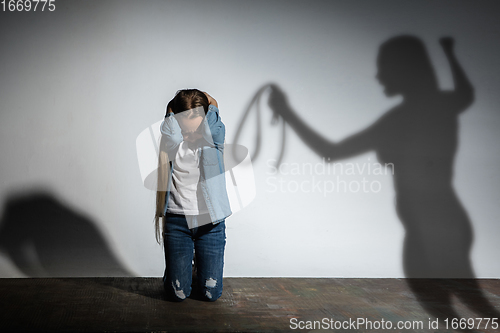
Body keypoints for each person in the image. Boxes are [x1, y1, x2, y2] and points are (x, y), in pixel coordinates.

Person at [154, 89, 231, 301]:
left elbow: (213, 109)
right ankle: (178, 271)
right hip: (178, 223)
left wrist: (208, 101)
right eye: (185, 131)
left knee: (210, 294)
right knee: (177, 294)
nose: (191, 137)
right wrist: (171, 108)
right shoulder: (172, 145)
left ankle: (198, 269)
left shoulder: (213, 142)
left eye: (197, 130)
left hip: (211, 224)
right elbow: (169, 131)